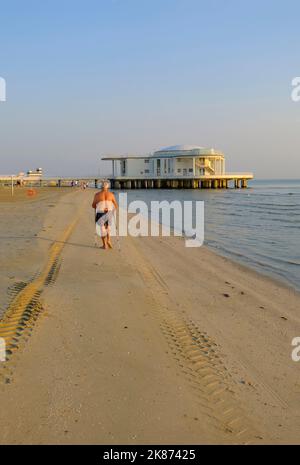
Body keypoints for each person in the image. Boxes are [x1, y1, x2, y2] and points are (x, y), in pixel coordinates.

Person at [92, 181, 118, 249]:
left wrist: (97, 205)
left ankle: (104, 245)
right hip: (109, 212)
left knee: (102, 229)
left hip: (100, 212)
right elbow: (115, 205)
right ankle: (109, 240)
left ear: (101, 186)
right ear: (108, 187)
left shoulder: (97, 195)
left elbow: (93, 205)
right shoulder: (111, 194)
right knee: (108, 227)